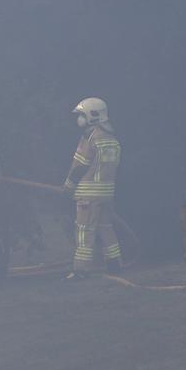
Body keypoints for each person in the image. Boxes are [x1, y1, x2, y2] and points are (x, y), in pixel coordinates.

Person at [62, 97, 121, 280]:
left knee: (84, 230)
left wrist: (68, 186)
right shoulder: (111, 139)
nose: (79, 120)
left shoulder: (90, 137)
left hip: (87, 195)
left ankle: (81, 270)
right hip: (106, 194)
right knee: (105, 227)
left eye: (81, 115)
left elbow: (80, 165)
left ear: (92, 116)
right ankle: (114, 264)